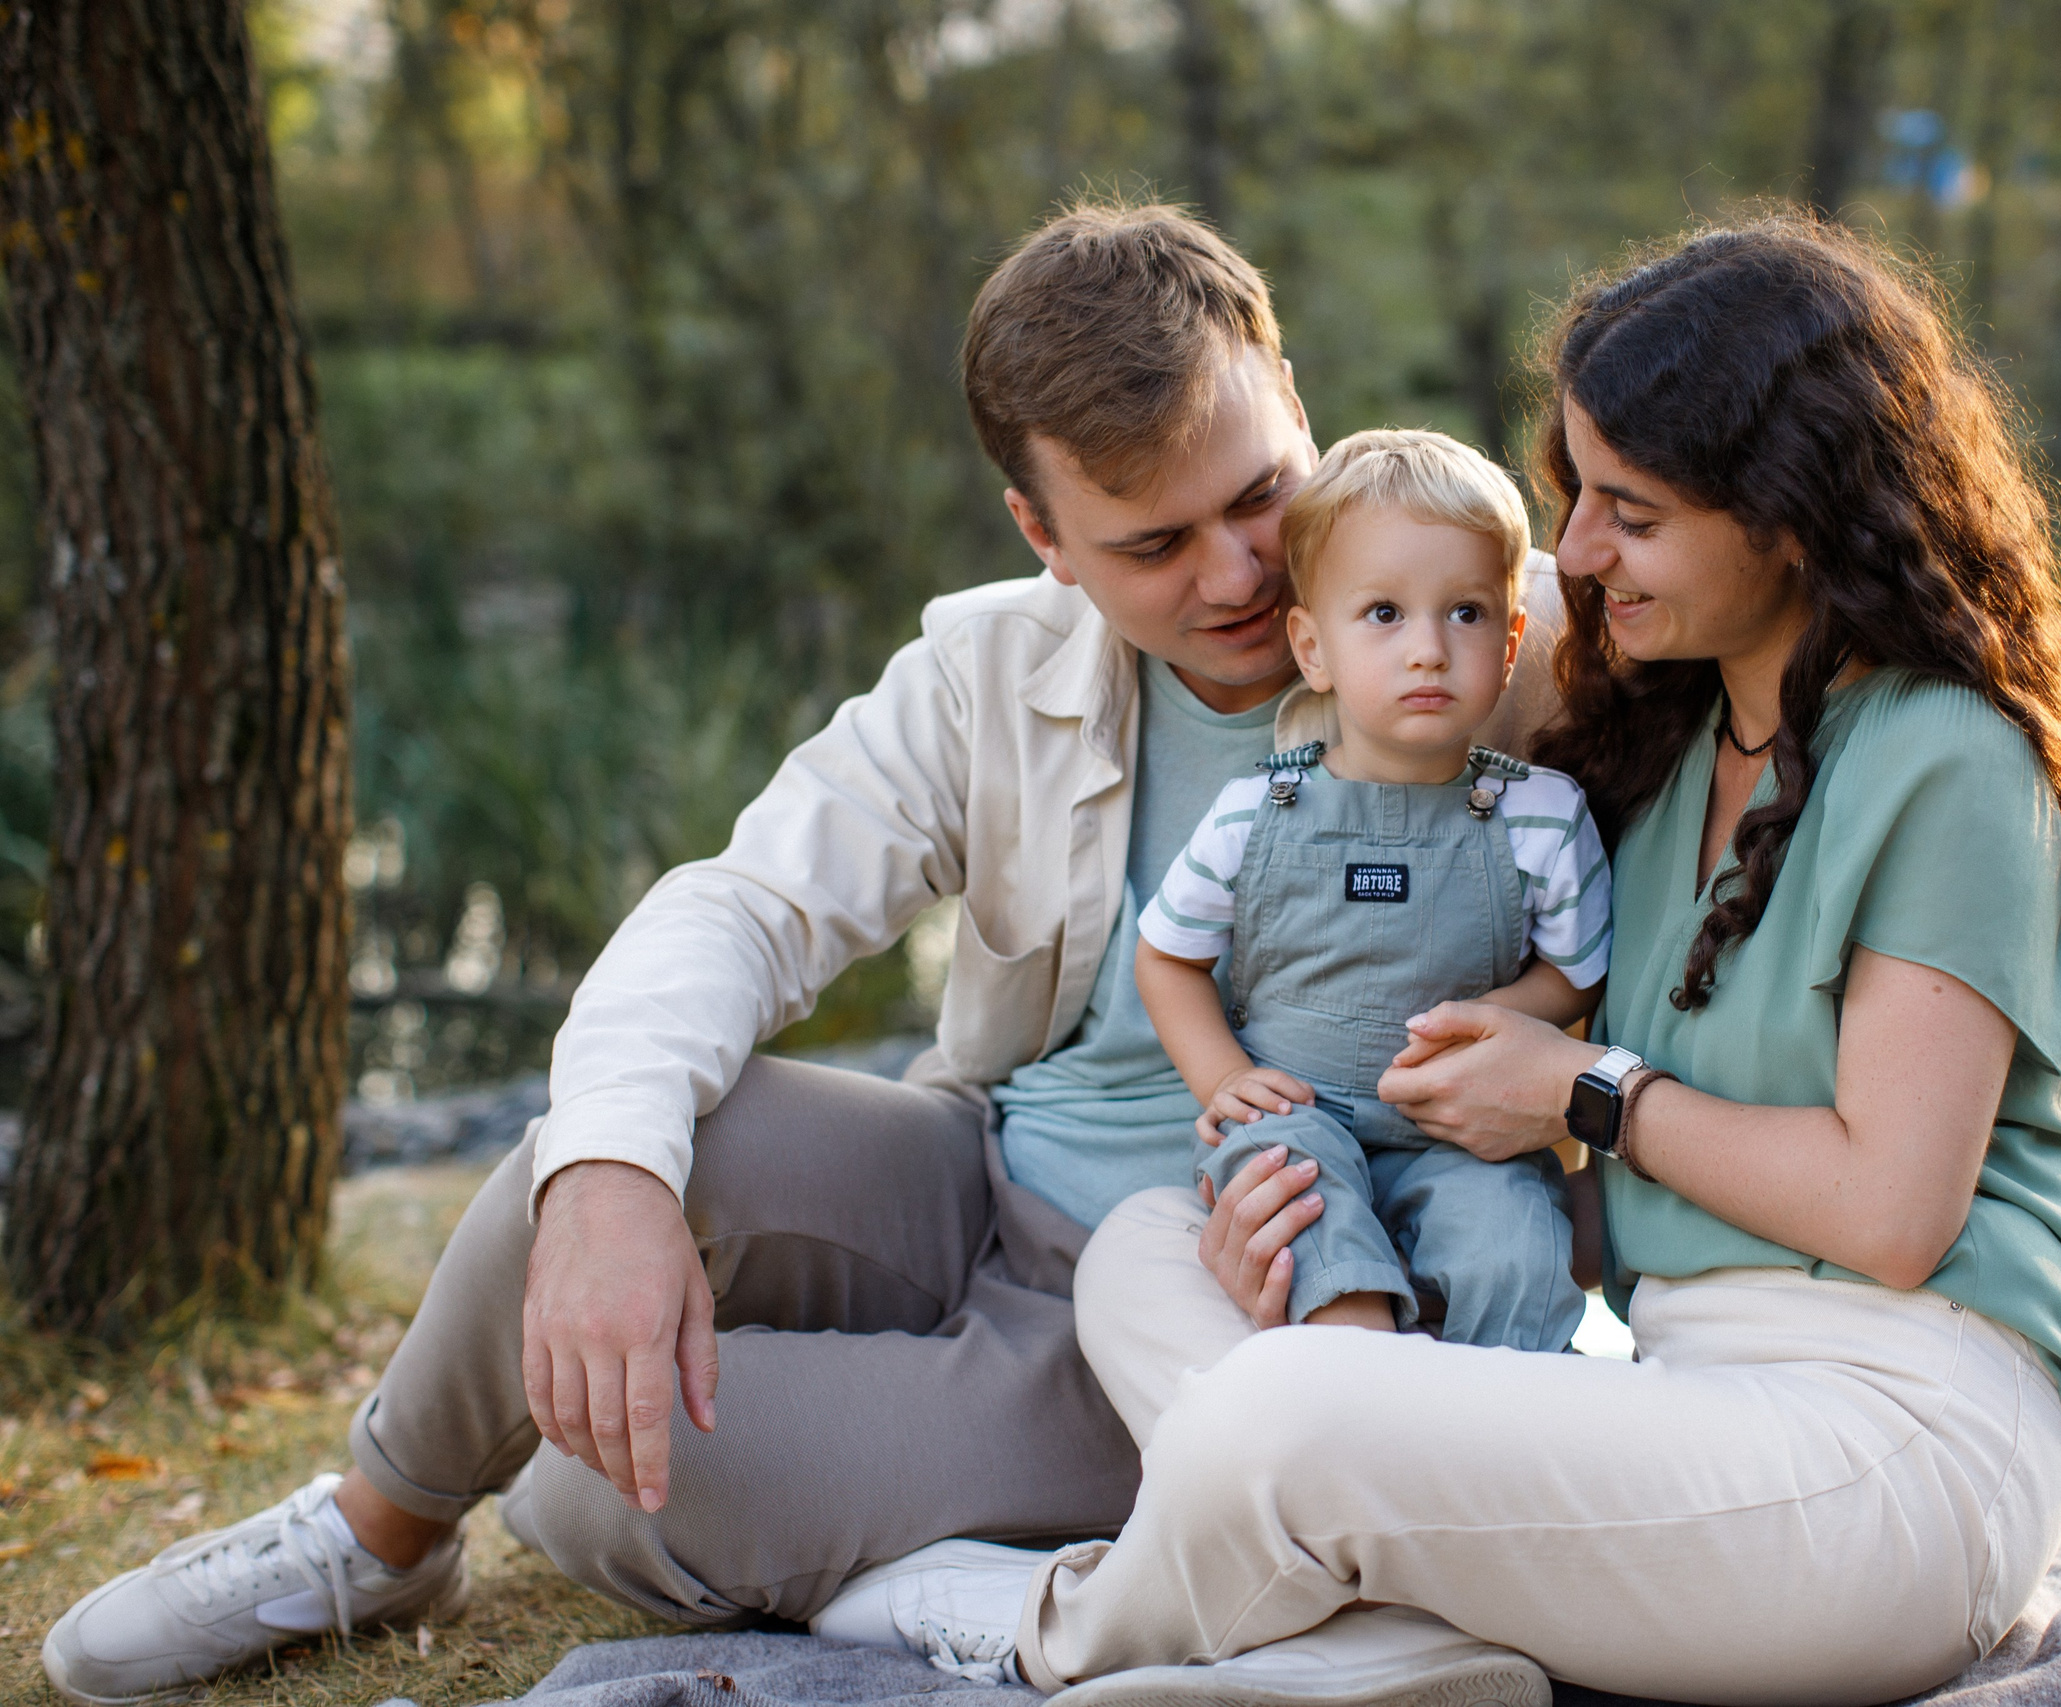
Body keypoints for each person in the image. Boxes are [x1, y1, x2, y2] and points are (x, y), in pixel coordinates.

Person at [40, 200, 1571, 1704]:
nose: (1238, 573)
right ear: (1043, 534)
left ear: (1293, 401)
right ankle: (378, 1532)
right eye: (1154, 541)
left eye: (1258, 495)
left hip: (1204, 1294)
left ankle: (1003, 1583)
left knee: (596, 1486)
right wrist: (611, 1184)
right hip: (978, 1173)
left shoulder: (1482, 624)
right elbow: (743, 907)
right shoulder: (988, 661)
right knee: (590, 1160)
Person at [809, 210, 2061, 1707]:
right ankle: (1409, 1640)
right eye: (1576, 497)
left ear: (1790, 512)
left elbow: (1892, 1211)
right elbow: (1610, 1230)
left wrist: (1585, 1093)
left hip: (1881, 1430)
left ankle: (1046, 1627)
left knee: (1287, 1422)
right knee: (1158, 1241)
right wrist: (1347, 1204)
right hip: (1683, 1398)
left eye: (1631, 513)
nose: (1580, 550)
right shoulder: (1669, 753)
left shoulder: (1945, 760)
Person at [1134, 429, 1609, 1350]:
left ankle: (1512, 1443)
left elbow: (1577, 970)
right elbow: (1168, 954)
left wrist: (1503, 1013)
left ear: (1512, 641)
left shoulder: (1542, 816)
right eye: (1384, 614)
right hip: (1301, 1115)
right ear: (1312, 647)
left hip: (1463, 1131)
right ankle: (1358, 1379)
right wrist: (1225, 1076)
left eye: (1466, 614)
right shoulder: (1255, 813)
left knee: (1514, 1251)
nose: (1428, 649)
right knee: (1304, 1228)